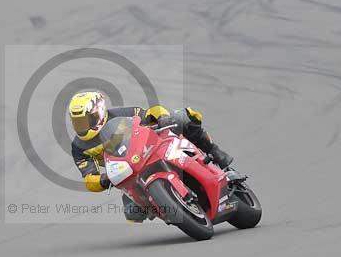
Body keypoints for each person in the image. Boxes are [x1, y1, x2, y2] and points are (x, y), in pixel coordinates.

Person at [68, 91, 232, 222]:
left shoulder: (121, 114)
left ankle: (214, 151)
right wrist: (103, 180)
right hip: (127, 170)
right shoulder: (79, 147)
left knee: (183, 116)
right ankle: (165, 207)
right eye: (77, 122)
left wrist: (162, 118)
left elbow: (151, 113)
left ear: (99, 112)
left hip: (148, 150)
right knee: (132, 213)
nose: (82, 126)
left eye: (86, 120)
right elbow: (89, 178)